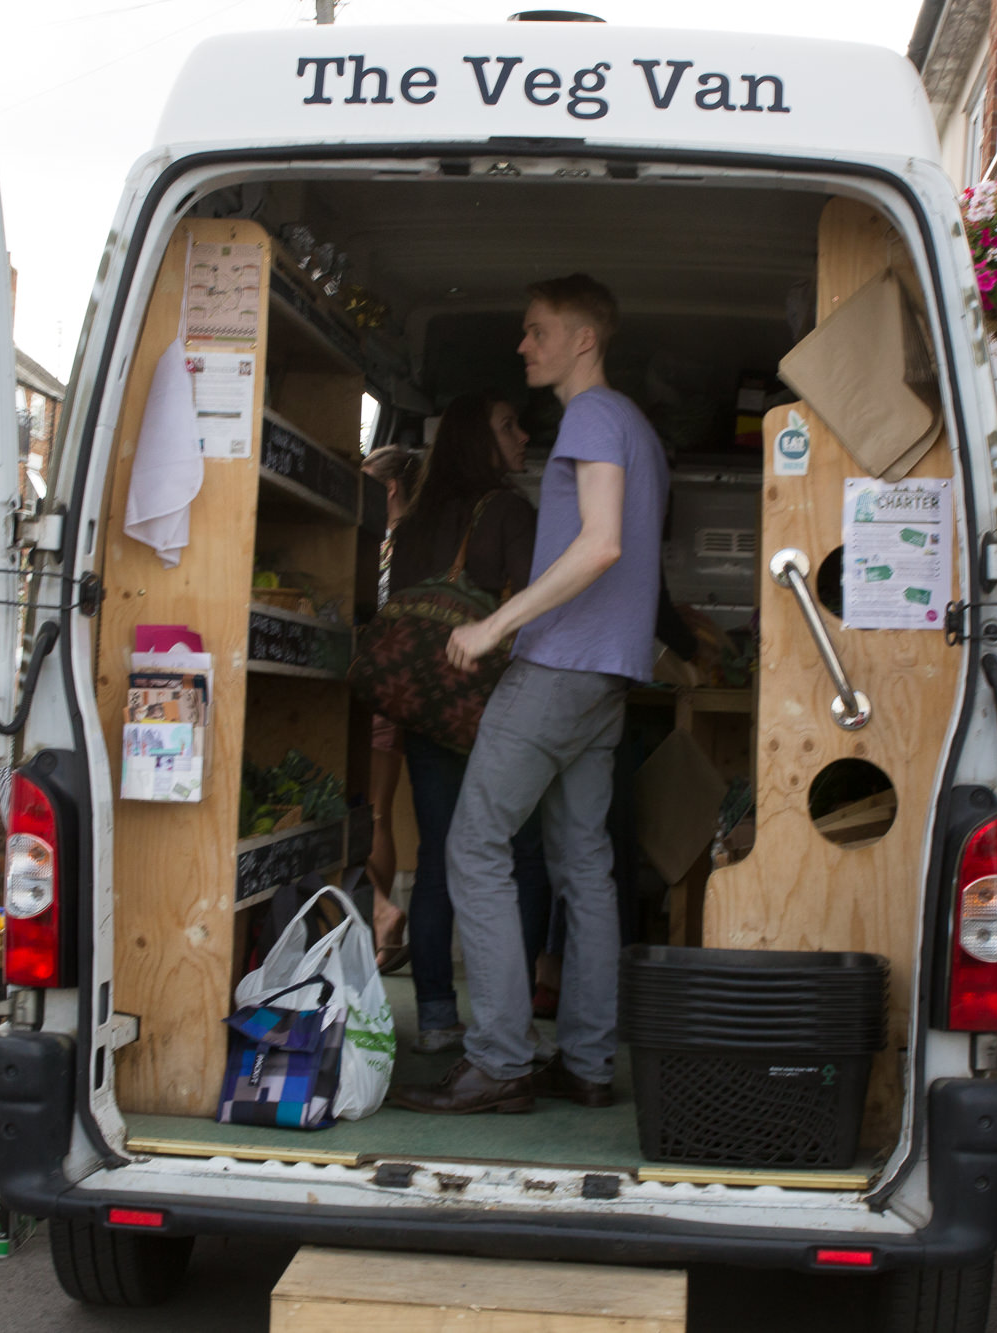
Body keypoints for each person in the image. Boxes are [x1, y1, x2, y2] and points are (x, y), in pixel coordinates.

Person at [393, 274, 668, 1115]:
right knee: (585, 865)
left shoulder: (592, 414)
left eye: (538, 330)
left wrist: (494, 626)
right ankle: (586, 1063)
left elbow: (602, 543)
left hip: (559, 664)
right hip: (607, 676)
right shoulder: (637, 428)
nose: (523, 345)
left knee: (473, 844)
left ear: (585, 338)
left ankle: (500, 1061)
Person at [383, 390, 552, 1054]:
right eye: (509, 425)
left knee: (437, 858)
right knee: (521, 857)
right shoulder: (508, 510)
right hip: (496, 709)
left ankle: (433, 1018)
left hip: (427, 706)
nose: (523, 435)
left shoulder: (414, 520)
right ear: (477, 441)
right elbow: (539, 605)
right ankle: (505, 1017)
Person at [360, 444, 420, 972]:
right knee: (378, 811)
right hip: (399, 689)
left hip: (374, 687)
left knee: (368, 811)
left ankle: (380, 912)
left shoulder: (386, 548)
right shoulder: (420, 545)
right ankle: (380, 920)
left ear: (390, 488)